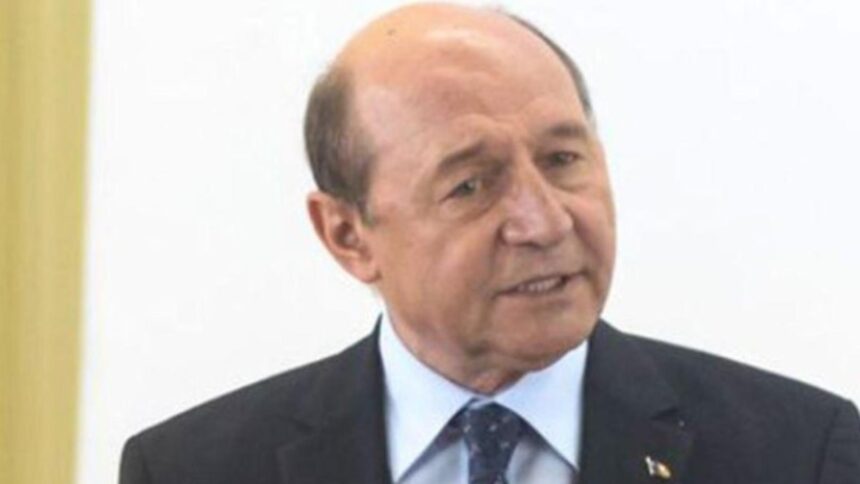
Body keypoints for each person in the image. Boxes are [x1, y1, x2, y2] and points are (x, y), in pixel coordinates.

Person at [119, 3, 860, 483]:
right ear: (347, 235)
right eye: (471, 185)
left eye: (563, 160)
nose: (545, 222)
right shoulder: (193, 469)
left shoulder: (798, 453)